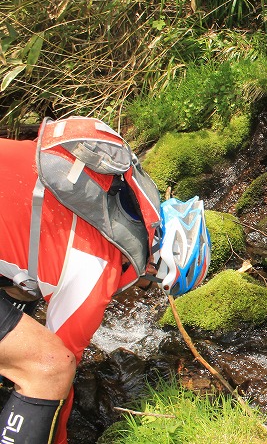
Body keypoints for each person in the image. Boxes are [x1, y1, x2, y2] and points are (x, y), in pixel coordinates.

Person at [0, 129, 210, 443]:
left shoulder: (102, 183)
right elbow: (63, 363)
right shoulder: (98, 268)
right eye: (150, 285)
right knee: (50, 366)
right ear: (155, 267)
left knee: (22, 289)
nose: (142, 288)